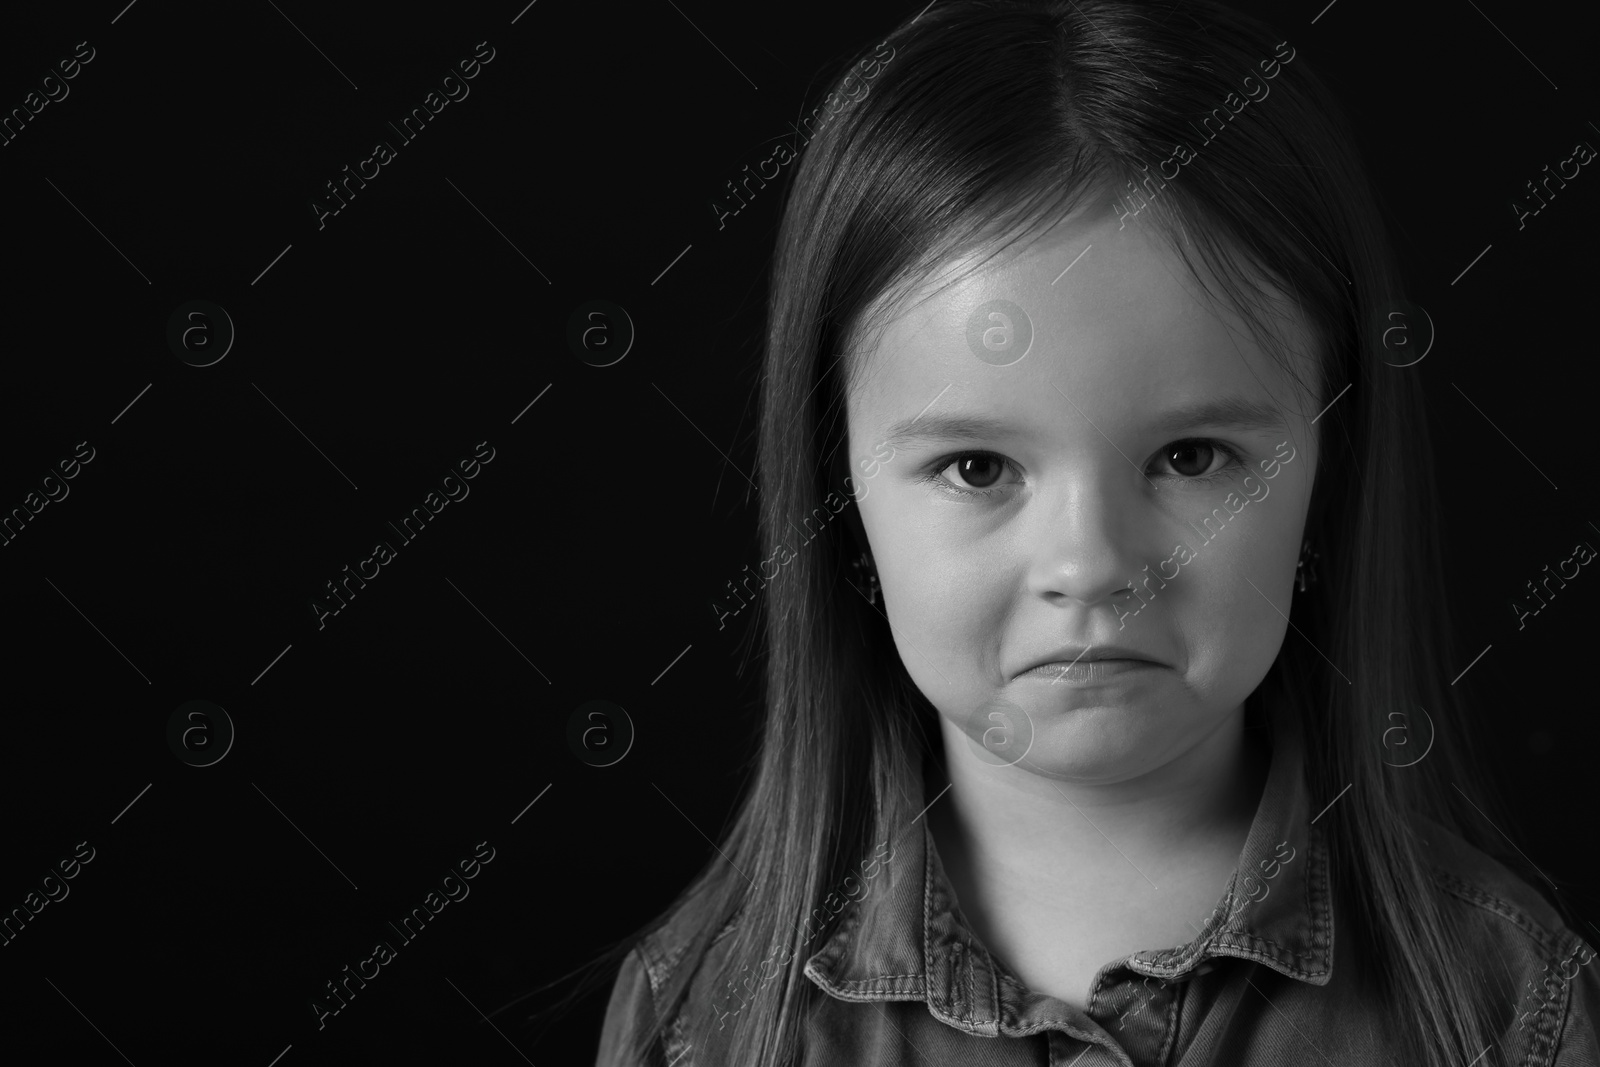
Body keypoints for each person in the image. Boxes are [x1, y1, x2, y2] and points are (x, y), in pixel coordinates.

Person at [590, 1, 1599, 1063]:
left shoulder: (1504, 1013)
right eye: (976, 467)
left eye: (1191, 456)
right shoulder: (704, 1022)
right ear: (838, 499)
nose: (1092, 565)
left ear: (1327, 471)